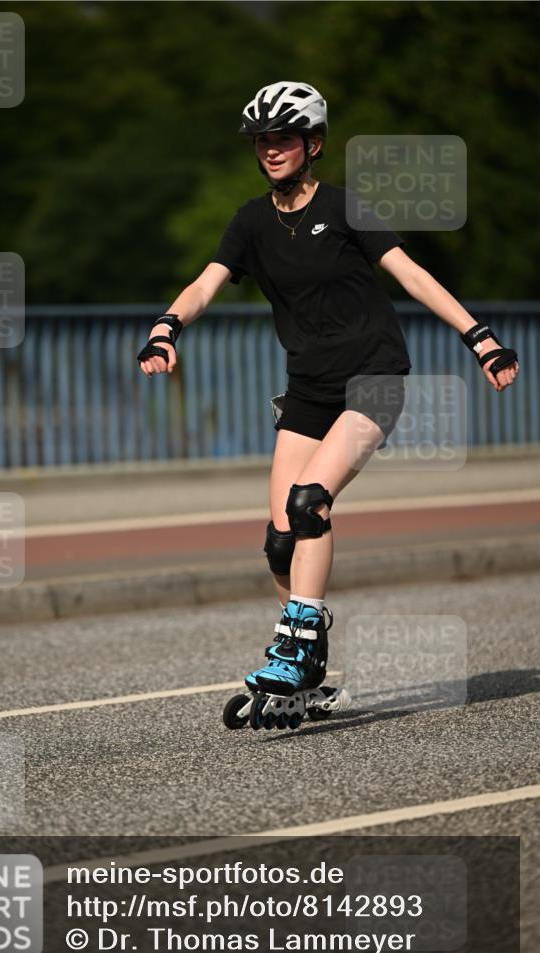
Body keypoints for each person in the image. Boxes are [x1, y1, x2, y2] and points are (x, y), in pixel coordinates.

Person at [137, 81, 520, 728]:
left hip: (374, 377)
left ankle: (296, 645)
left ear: (312, 144)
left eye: (283, 138)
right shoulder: (251, 221)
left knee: (309, 502)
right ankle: (307, 671)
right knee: (279, 543)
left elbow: (411, 274)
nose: (270, 149)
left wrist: (478, 338)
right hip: (309, 388)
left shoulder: (346, 209)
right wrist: (166, 327)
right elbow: (205, 284)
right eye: (262, 140)